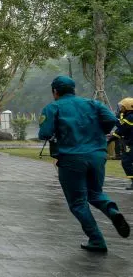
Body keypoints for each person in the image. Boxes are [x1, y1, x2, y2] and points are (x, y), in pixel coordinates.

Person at [38, 76, 130, 252]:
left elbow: (45, 133)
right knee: (95, 193)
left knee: (78, 202)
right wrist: (97, 133)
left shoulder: (53, 107)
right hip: (97, 155)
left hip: (71, 158)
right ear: (74, 89)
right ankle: (112, 212)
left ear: (55, 92)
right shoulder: (93, 104)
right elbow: (111, 120)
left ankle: (96, 240)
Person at [109, 97, 133, 190]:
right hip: (130, 143)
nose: (120, 109)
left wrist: (115, 119)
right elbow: (121, 130)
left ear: (128, 107)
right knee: (127, 161)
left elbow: (122, 128)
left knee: (126, 162)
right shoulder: (127, 116)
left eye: (122, 107)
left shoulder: (131, 117)